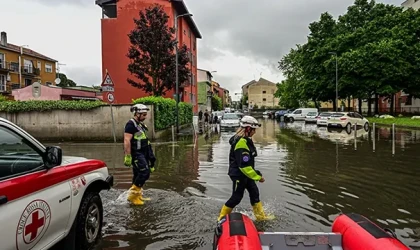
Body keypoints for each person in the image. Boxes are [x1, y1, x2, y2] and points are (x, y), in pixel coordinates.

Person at [217, 115, 272, 221]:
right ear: (248, 129)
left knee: (254, 193)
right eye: (253, 130)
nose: (255, 132)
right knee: (237, 197)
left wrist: (255, 175)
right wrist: (258, 177)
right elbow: (244, 166)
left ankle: (261, 217)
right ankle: (221, 218)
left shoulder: (246, 140)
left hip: (247, 174)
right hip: (239, 175)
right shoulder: (241, 142)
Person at [123, 103, 156, 205]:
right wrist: (128, 156)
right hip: (137, 154)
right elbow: (126, 140)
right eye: (144, 115)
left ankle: (138, 195)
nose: (145, 117)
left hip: (143, 152)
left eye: (145, 114)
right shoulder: (130, 124)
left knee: (137, 174)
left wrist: (151, 158)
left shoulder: (140, 125)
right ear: (137, 114)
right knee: (144, 172)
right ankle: (133, 196)